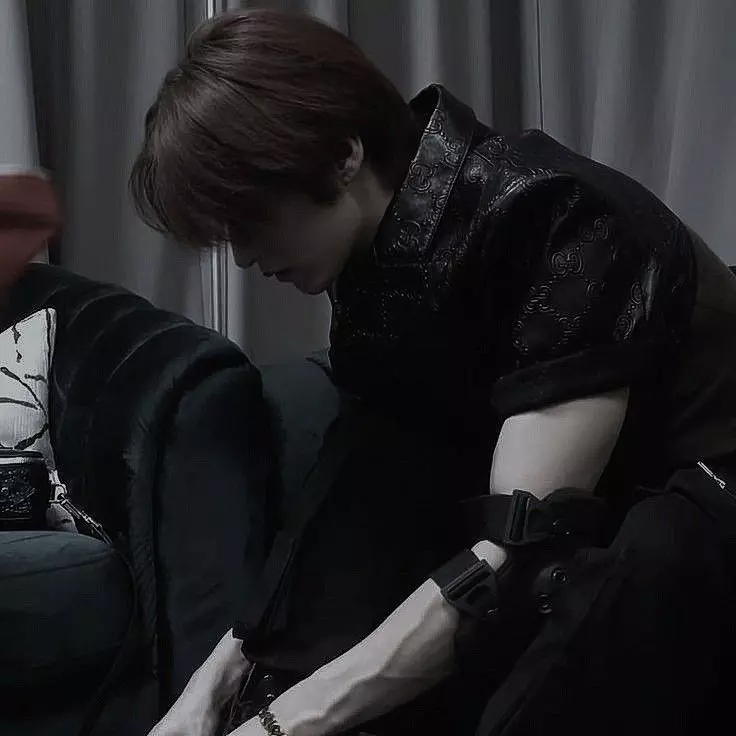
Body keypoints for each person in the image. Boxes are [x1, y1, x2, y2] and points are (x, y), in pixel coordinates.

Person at [130, 9, 736, 736]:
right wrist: (216, 687)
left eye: (252, 220)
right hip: (603, 519)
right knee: (368, 495)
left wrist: (286, 723)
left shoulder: (560, 217)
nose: (245, 258)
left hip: (699, 508)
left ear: (342, 155)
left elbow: (516, 549)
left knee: (632, 562)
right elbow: (356, 507)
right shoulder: (377, 269)